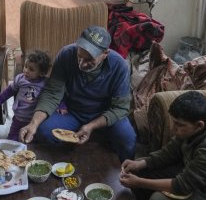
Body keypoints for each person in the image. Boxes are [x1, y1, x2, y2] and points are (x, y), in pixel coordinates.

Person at [19, 26, 136, 162]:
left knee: (127, 139)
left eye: (89, 60)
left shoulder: (119, 66)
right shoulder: (66, 54)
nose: (81, 63)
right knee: (44, 130)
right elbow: (52, 93)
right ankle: (66, 164)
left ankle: (128, 175)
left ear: (105, 54)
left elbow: (120, 108)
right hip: (73, 112)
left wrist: (91, 126)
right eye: (79, 56)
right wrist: (33, 124)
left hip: (105, 114)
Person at [119, 91, 206, 200]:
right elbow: (169, 153)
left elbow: (183, 185)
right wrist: (142, 163)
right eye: (173, 121)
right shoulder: (196, 123)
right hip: (193, 171)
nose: (173, 127)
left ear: (199, 125)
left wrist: (139, 182)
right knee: (137, 169)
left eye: (179, 124)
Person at [0, 50, 66, 141]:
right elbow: (9, 90)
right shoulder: (20, 79)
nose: (26, 70)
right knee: (12, 138)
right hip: (18, 118)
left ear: (41, 72)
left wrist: (62, 106)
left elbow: (54, 95)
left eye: (31, 69)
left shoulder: (46, 83)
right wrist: (0, 99)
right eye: (26, 66)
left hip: (33, 120)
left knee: (31, 141)